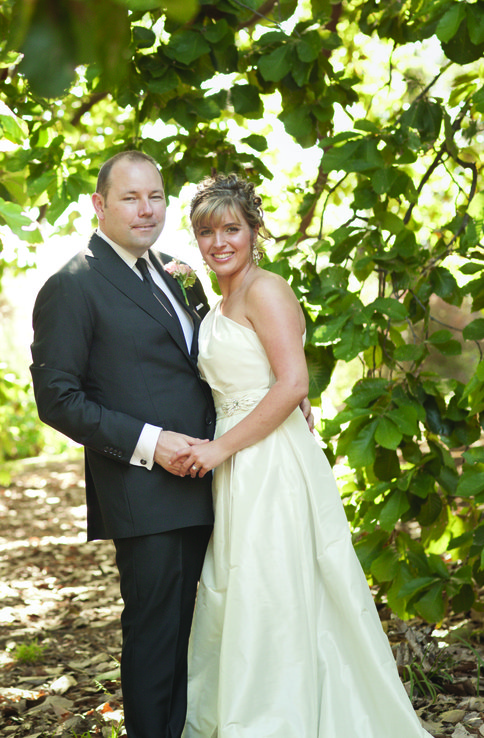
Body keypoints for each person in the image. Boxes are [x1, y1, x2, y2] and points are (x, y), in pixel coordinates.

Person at [172, 173, 434, 738]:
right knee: (240, 588)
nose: (219, 242)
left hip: (268, 462)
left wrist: (220, 448)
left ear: (255, 231)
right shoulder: (221, 298)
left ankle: (283, 717)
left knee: (274, 585)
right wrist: (186, 280)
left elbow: (291, 385)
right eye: (206, 232)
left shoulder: (266, 288)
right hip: (239, 461)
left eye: (232, 229)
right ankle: (251, 704)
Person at [30, 151, 217, 738]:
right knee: (157, 634)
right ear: (98, 205)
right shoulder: (73, 285)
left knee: (207, 628)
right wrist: (152, 443)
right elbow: (58, 397)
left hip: (215, 474)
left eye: (155, 196)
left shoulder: (181, 272)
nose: (145, 209)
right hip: (145, 489)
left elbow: (209, 361)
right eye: (130, 198)